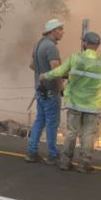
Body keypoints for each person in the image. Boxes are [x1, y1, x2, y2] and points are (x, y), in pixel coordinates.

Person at [40, 30, 101, 173]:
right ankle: (84, 164)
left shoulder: (75, 58)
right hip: (92, 105)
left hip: (75, 103)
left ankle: (65, 162)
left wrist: (44, 76)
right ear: (97, 45)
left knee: (72, 132)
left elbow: (59, 72)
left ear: (85, 43)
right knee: (88, 135)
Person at [26, 19, 65, 164]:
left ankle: (31, 152)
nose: (62, 32)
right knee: (52, 124)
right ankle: (53, 155)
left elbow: (32, 65)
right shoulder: (51, 47)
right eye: (60, 29)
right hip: (50, 91)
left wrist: (42, 72)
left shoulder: (38, 44)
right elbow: (56, 70)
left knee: (40, 120)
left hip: (40, 89)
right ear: (53, 31)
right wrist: (61, 87)